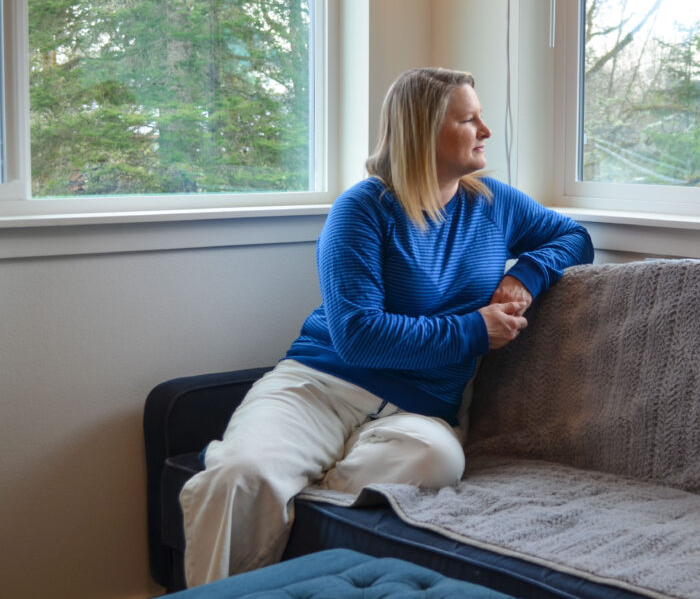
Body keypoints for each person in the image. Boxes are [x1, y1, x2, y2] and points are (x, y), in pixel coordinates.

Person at [178, 67, 594, 586]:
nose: (486, 131)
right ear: (423, 133)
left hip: (418, 410)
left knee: (438, 459)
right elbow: (359, 336)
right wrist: (473, 331)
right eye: (469, 119)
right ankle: (255, 480)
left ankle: (295, 480)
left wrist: (525, 276)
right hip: (320, 385)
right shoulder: (361, 210)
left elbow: (574, 237)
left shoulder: (494, 203)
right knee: (240, 478)